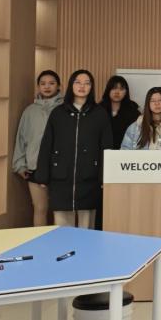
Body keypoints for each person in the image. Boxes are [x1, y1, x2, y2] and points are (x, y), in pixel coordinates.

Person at [33, 70, 113, 229]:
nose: (82, 86)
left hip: (89, 177)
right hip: (61, 176)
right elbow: (47, 144)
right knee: (62, 227)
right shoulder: (58, 113)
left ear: (92, 87)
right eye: (78, 82)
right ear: (71, 85)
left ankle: (86, 247)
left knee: (87, 227)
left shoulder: (100, 114)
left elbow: (106, 147)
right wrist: (42, 175)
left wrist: (105, 176)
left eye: (87, 83)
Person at [12, 70, 62, 227]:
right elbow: (21, 139)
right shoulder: (30, 111)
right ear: (38, 86)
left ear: (59, 86)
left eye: (51, 83)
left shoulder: (65, 109)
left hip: (60, 167)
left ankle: (61, 241)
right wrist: (20, 165)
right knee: (39, 208)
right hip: (34, 166)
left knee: (61, 211)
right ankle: (40, 241)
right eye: (43, 83)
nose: (47, 87)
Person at [99, 75, 141, 150]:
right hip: (102, 152)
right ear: (108, 90)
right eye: (114, 88)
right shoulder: (99, 110)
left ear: (126, 92)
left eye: (121, 89)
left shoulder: (133, 110)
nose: (117, 92)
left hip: (125, 153)